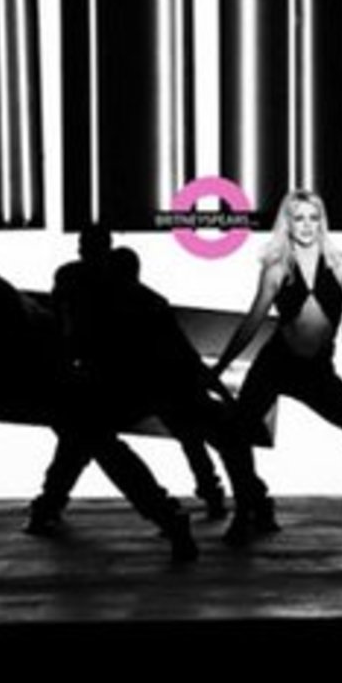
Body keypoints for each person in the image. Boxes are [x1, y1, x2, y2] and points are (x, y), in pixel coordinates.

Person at [0, 230, 197, 570]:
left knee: (92, 444)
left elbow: (12, 346)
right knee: (99, 445)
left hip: (31, 369)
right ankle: (170, 520)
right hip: (31, 370)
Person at [210, 189, 342, 546]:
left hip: (317, 372)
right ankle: (250, 507)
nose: (307, 225)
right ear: (288, 222)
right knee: (235, 434)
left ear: (322, 221)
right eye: (299, 218)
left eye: (314, 217)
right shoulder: (277, 268)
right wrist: (221, 366)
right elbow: (253, 320)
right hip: (276, 364)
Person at [23, 227, 229, 535]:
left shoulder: (73, 279)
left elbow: (63, 325)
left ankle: (49, 505)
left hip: (107, 380)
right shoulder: (141, 297)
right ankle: (204, 495)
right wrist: (211, 383)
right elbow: (179, 349)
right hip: (144, 379)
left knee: (81, 442)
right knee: (185, 432)